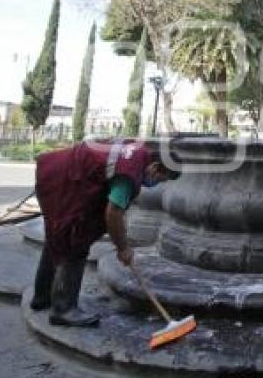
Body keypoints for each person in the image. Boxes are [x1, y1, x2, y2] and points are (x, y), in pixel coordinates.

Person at [29, 139, 179, 327]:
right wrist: (123, 248)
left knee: (58, 236)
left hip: (55, 173)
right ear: (155, 167)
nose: (154, 184)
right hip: (65, 181)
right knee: (75, 239)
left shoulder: (138, 149)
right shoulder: (129, 172)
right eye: (159, 179)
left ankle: (41, 297)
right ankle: (63, 309)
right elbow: (113, 213)